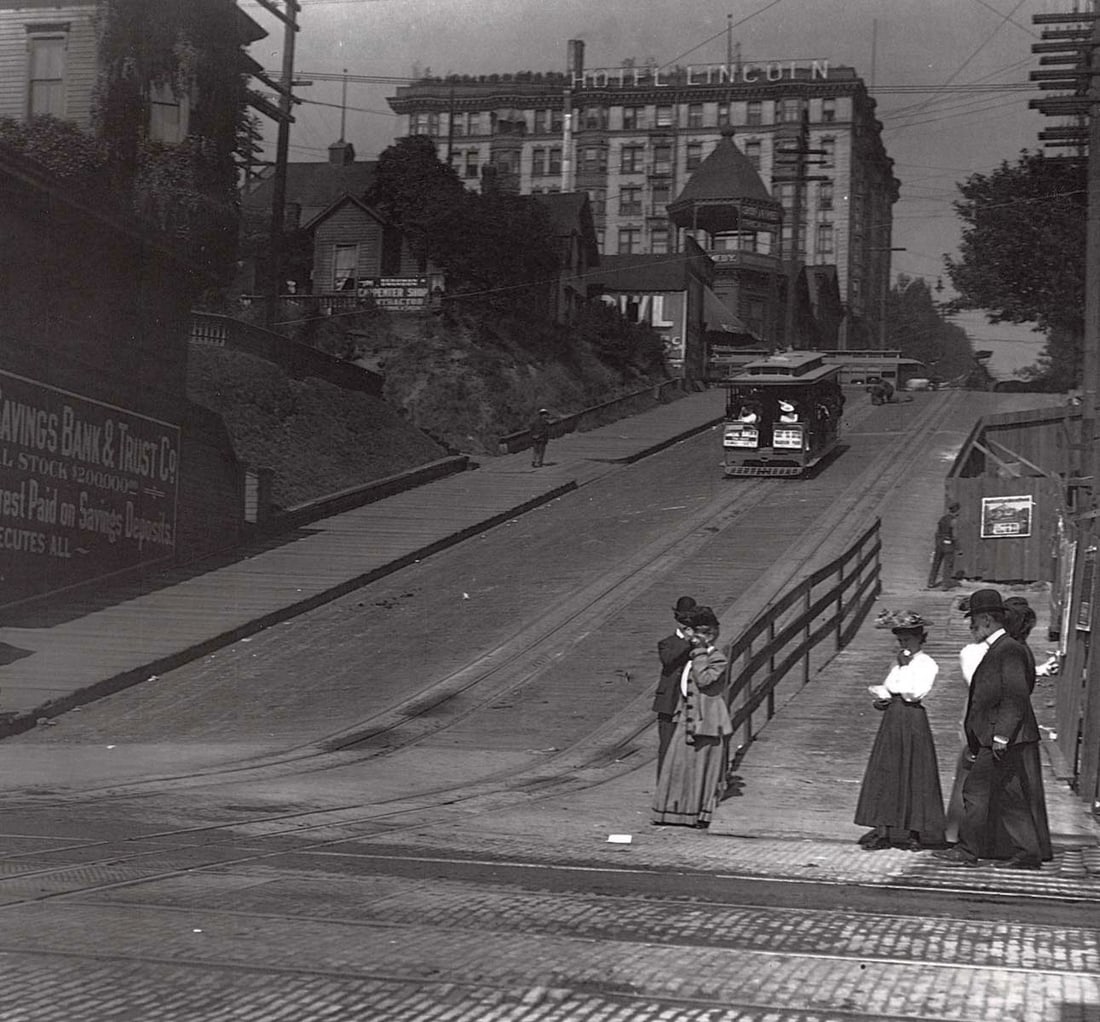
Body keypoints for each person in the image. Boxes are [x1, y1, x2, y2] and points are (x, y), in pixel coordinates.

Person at [934, 588, 1053, 869]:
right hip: (999, 736)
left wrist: (1001, 735)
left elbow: (1016, 695)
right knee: (1011, 796)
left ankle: (966, 850)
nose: (970, 626)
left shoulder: (1007, 650)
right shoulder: (1006, 648)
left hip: (999, 737)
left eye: (973, 620)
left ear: (987, 620)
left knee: (975, 792)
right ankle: (1028, 852)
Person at [854, 612, 946, 851]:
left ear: (919, 638)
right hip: (893, 717)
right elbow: (890, 686)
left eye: (907, 640)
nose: (903, 645)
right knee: (887, 770)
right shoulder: (898, 661)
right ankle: (884, 829)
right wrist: (882, 698)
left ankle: (915, 831)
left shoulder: (926, 663)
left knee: (915, 771)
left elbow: (913, 692)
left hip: (911, 717)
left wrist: (903, 671)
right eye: (900, 640)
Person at [652, 606, 731, 830]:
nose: (691, 639)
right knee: (677, 766)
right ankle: (674, 812)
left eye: (696, 635)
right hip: (686, 717)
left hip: (706, 720)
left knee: (700, 768)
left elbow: (704, 679)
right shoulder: (692, 655)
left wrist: (698, 653)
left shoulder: (715, 657)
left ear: (708, 635)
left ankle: (697, 814)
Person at [652, 596, 697, 777]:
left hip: (691, 702)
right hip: (671, 702)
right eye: (683, 619)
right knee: (667, 746)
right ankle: (663, 784)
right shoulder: (667, 643)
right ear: (677, 621)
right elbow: (668, 660)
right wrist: (688, 642)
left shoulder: (698, 641)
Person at [927, 502, 961, 590]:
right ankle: (945, 584)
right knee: (948, 565)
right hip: (948, 544)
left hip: (939, 543)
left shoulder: (942, 519)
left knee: (936, 563)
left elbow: (937, 532)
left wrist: (937, 543)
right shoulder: (954, 521)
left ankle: (931, 582)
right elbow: (954, 535)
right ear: (957, 510)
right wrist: (958, 548)